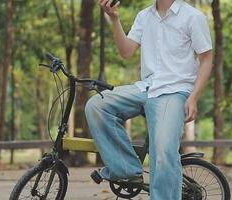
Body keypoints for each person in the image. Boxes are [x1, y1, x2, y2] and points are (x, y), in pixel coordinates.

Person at [85, 0, 213, 199]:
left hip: (175, 90)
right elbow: (126, 52)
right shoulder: (144, 16)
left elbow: (206, 59)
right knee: (97, 105)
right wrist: (114, 18)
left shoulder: (193, 17)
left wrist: (193, 97)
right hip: (146, 87)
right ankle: (126, 170)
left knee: (162, 149)